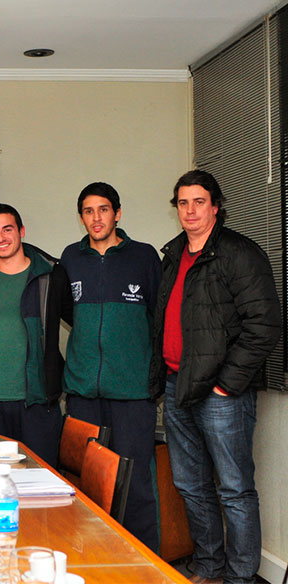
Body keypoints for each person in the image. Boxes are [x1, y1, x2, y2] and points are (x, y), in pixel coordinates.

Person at [150, 170, 280, 584]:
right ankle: (209, 568)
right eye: (183, 203)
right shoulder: (173, 254)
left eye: (199, 202)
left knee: (234, 490)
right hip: (178, 385)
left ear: (215, 206)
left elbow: (264, 324)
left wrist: (227, 384)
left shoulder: (239, 253)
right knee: (190, 485)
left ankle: (240, 577)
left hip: (221, 394)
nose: (190, 210)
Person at [59, 182, 162, 551]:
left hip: (132, 392)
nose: (96, 218)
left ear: (117, 213)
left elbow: (160, 318)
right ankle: (91, 558)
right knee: (86, 482)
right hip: (83, 392)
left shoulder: (144, 257)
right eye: (88, 211)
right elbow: (68, 313)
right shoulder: (71, 258)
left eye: (103, 209)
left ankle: (145, 562)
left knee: (136, 484)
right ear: (81, 217)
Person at [0, 203, 71, 466]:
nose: (0, 238)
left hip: (37, 403)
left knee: (40, 480)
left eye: (7, 229)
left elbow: (79, 323)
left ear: (21, 231)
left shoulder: (51, 276)